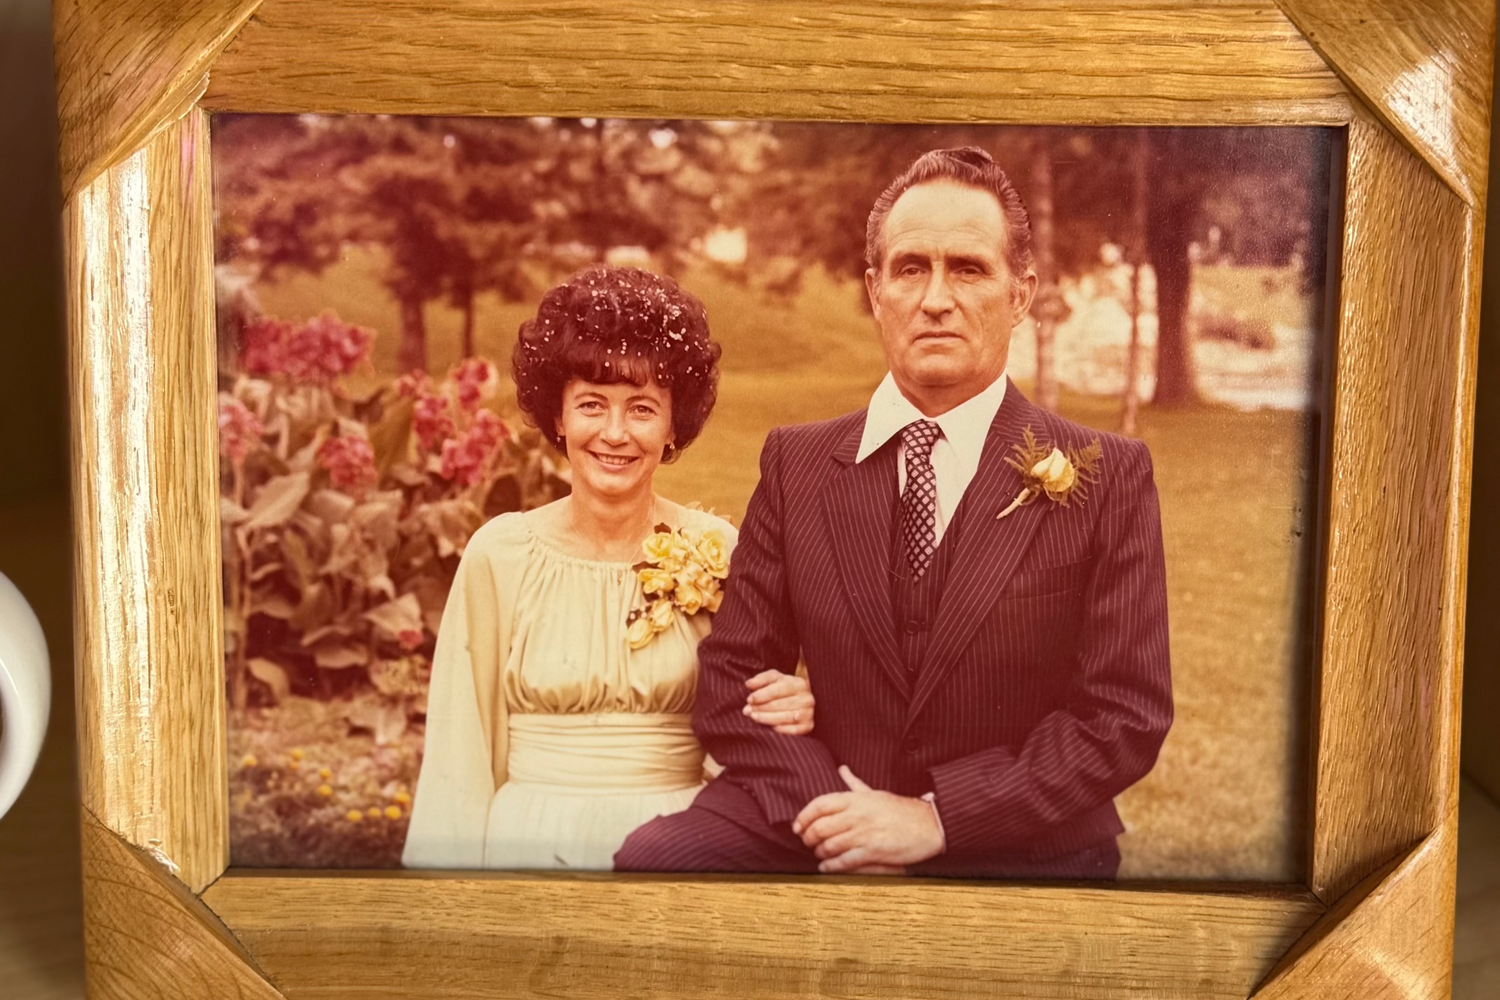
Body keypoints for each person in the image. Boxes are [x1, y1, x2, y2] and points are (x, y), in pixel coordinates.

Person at [616, 147, 1173, 878]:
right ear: (876, 291)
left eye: (968, 269)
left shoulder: (1107, 475)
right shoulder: (797, 463)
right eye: (911, 269)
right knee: (655, 865)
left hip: (1013, 834)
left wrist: (937, 819)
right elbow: (731, 681)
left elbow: (1123, 716)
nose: (936, 298)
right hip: (818, 801)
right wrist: (843, 817)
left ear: (1021, 295)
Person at [402, 265, 814, 870]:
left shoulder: (719, 551)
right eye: (591, 405)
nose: (615, 434)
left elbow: (751, 732)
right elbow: (457, 756)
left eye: (642, 408)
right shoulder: (500, 554)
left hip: (679, 849)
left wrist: (798, 705)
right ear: (558, 416)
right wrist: (449, 900)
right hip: (529, 847)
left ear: (673, 424)